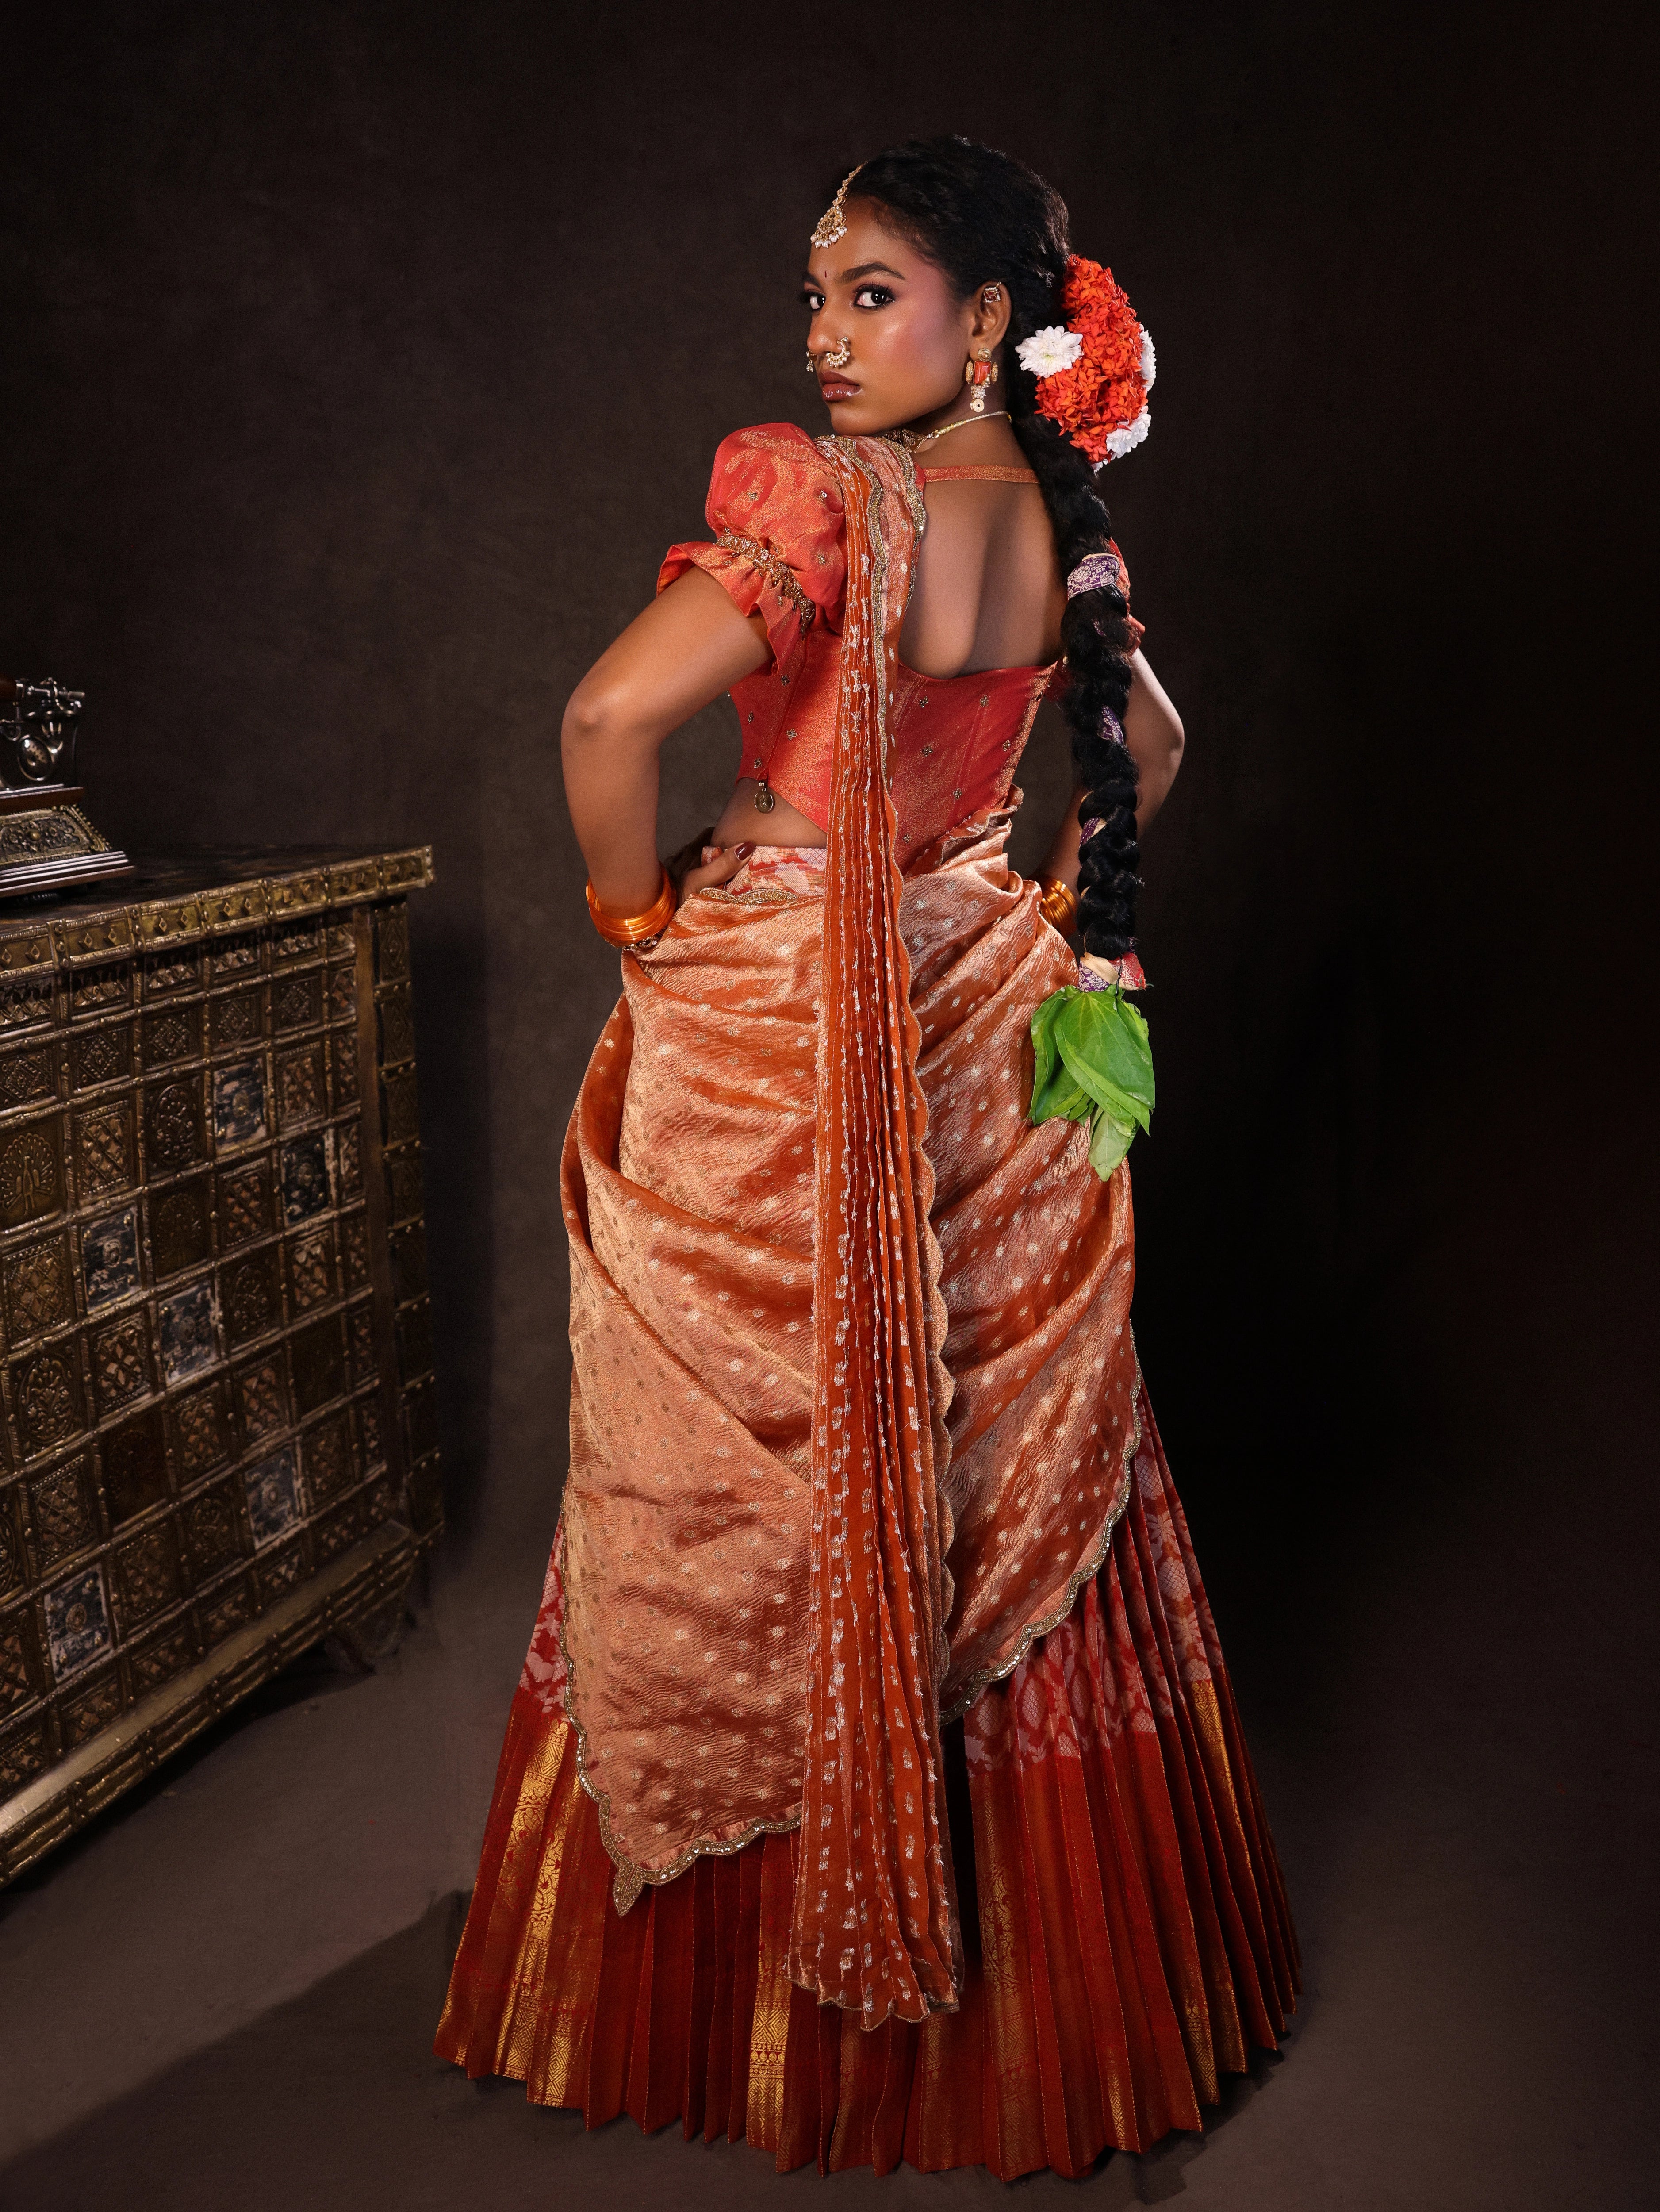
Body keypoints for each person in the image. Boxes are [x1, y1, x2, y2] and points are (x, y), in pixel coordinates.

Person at [436, 134, 1298, 2181]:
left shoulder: (823, 499)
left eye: (870, 294)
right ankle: (1050, 2001)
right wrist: (1035, 898)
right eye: (815, 295)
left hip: (787, 1018)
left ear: (992, 322)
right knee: (991, 1455)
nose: (822, 338)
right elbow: (1146, 746)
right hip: (985, 996)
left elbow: (600, 724)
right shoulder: (1052, 518)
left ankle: (760, 1995)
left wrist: (638, 921)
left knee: (762, 1459)